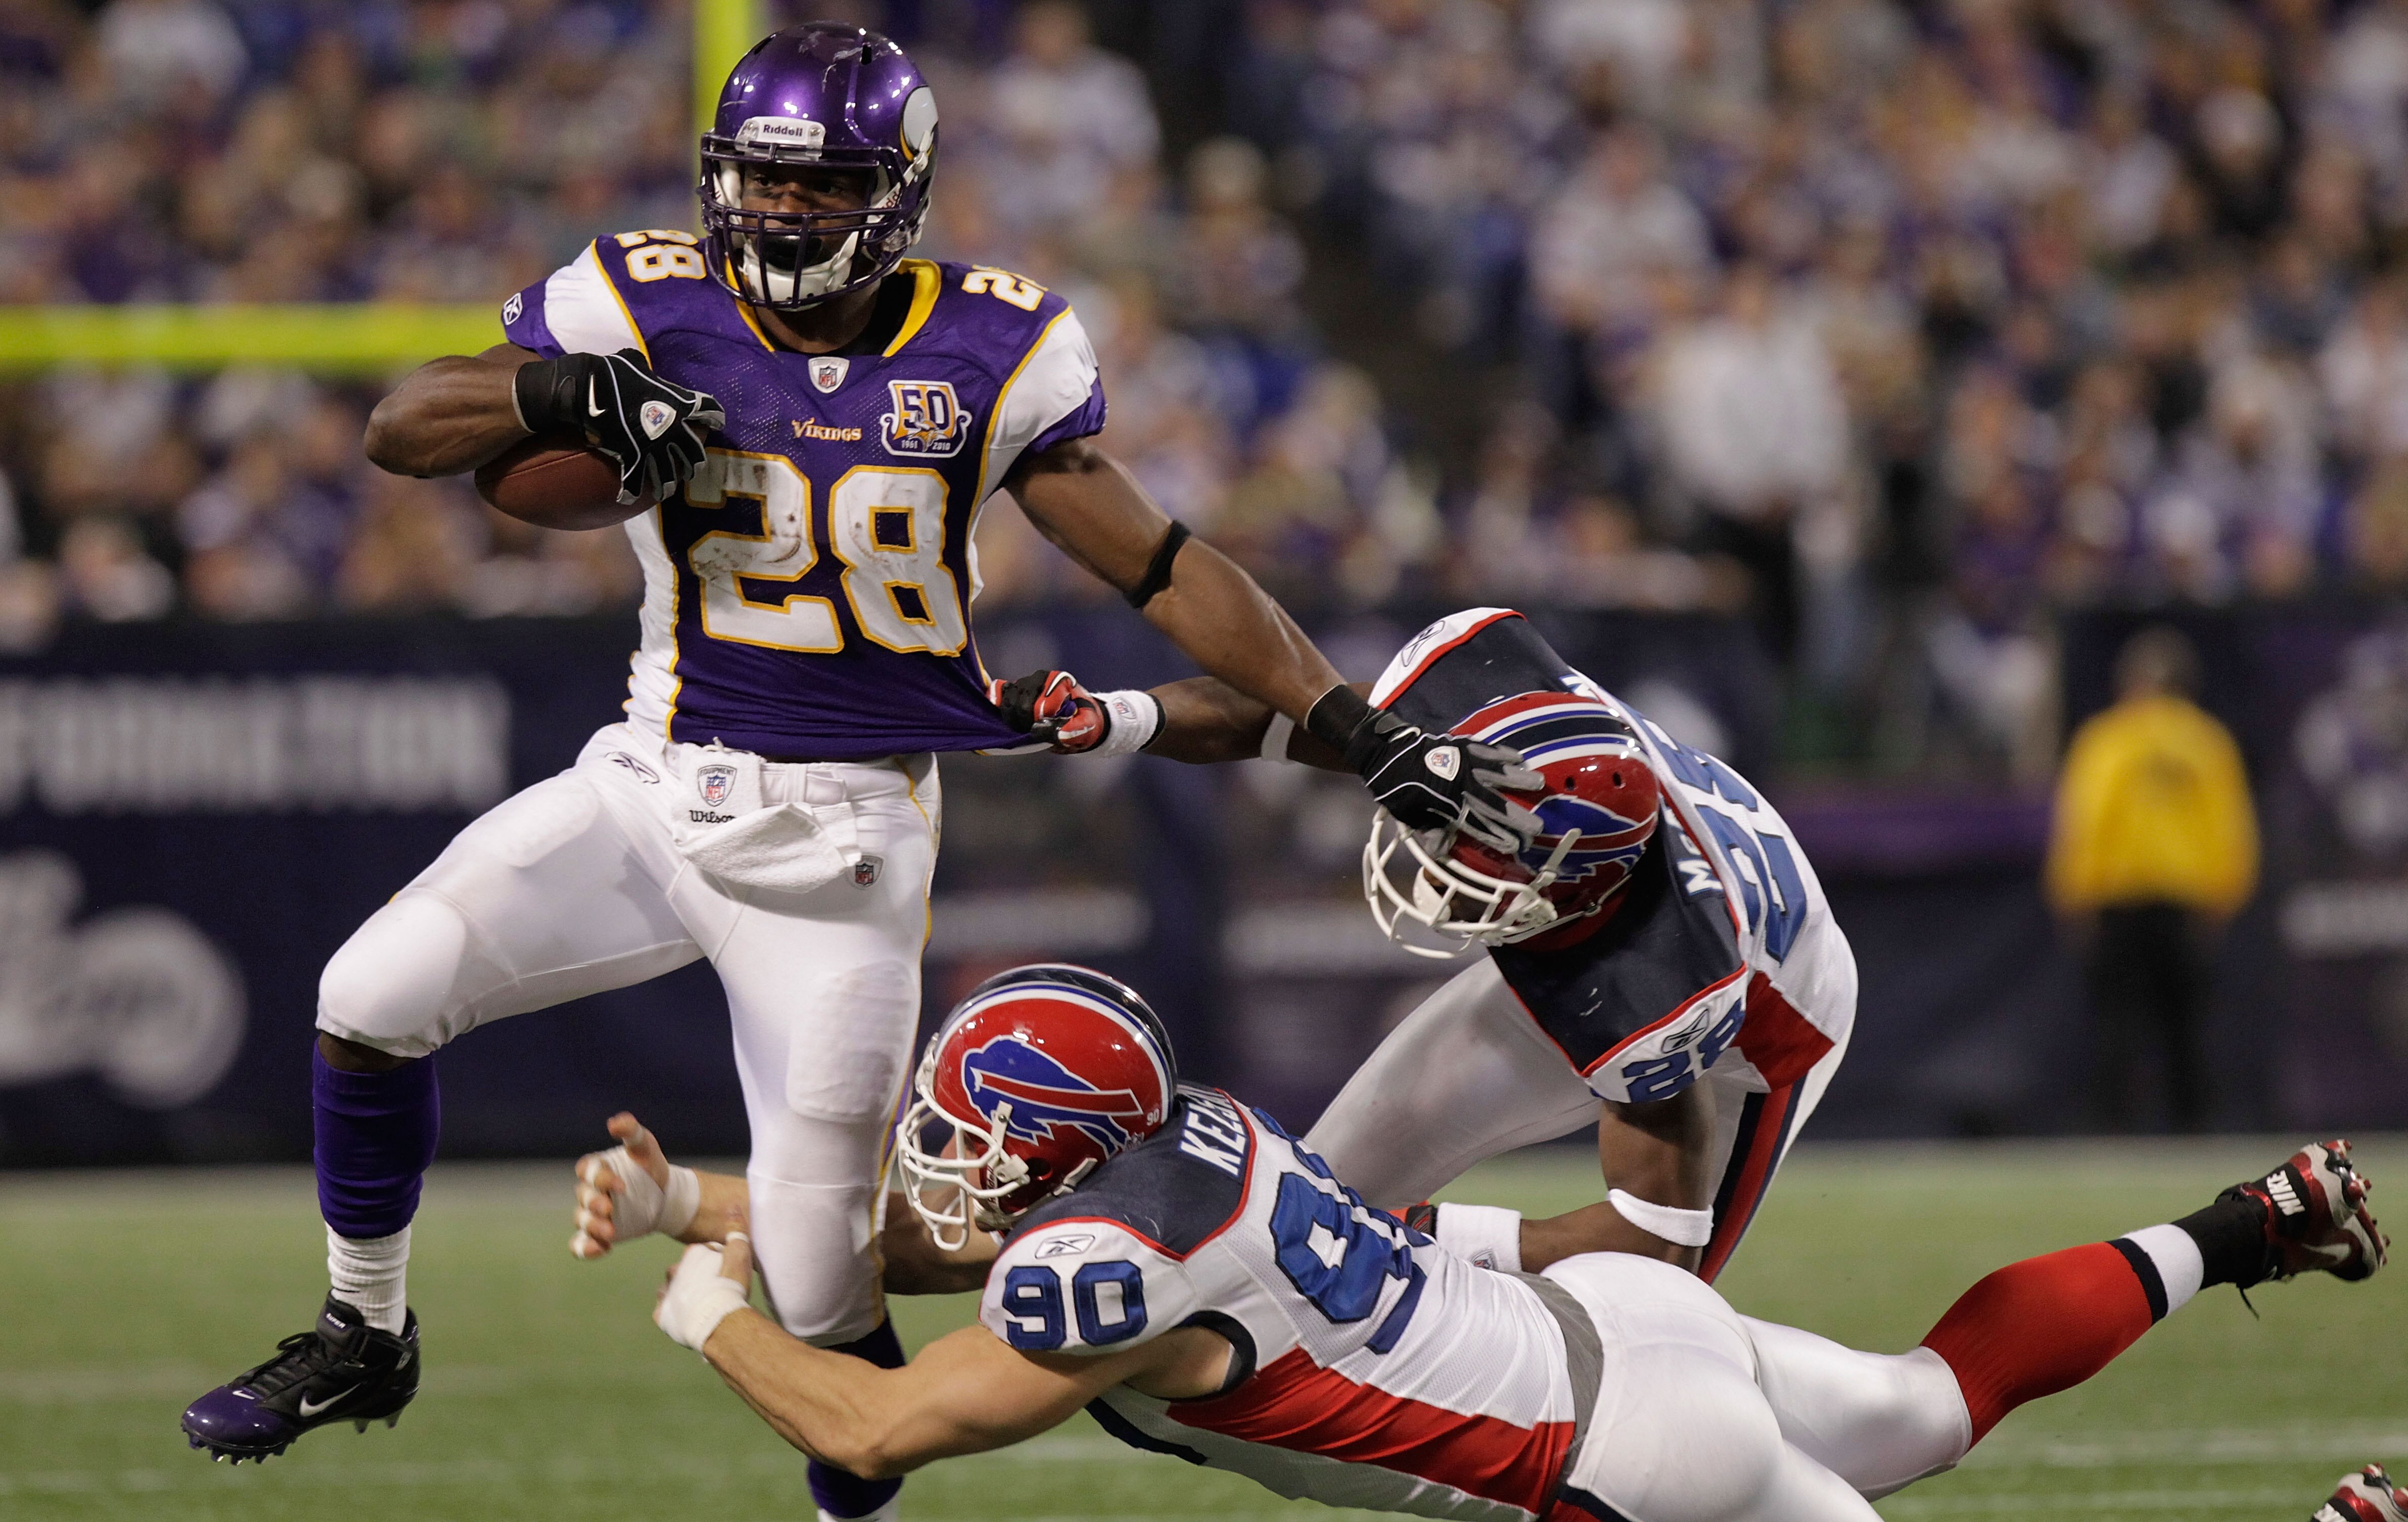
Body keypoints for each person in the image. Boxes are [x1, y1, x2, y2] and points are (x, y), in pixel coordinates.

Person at [176, 25, 1542, 1512]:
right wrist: (564, 400)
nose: (778, 217)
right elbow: (401, 426)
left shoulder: (991, 346)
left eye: (818, 188)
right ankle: (363, 1330)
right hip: (651, 771)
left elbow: (1160, 565)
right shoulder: (644, 294)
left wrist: (1361, 729)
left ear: (897, 191)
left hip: (841, 845)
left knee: (824, 1277)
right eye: (758, 186)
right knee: (368, 992)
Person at [572, 962, 2386, 1522]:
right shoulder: (1197, 1149)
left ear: (1059, 1161)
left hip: (1622, 1452)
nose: (934, 1176)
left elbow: (876, 1422)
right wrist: (697, 1194)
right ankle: (2250, 1219)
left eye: (972, 1144)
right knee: (1930, 1391)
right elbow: (933, 1237)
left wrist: (702, 1301)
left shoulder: (1095, 1270)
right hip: (1627, 1324)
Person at [999, 606, 1855, 1282]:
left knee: (1660, 1321)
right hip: (1626, 915)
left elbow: (1654, 1238)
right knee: (1307, 1205)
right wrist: (1118, 716)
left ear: (1574, 890)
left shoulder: (1662, 980)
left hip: (1763, 1032)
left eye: (1485, 868)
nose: (1441, 868)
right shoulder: (1487, 697)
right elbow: (1291, 714)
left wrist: (1438, 1241)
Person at [2047, 625, 2259, 1131]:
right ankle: (2193, 1131)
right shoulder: (2206, 742)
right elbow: (2231, 829)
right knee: (2185, 1025)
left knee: (2117, 1024)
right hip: (2184, 904)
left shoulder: (2108, 738)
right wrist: (2225, 896)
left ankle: (2115, 1130)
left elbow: (2086, 821)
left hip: (2119, 902)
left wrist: (2073, 893)